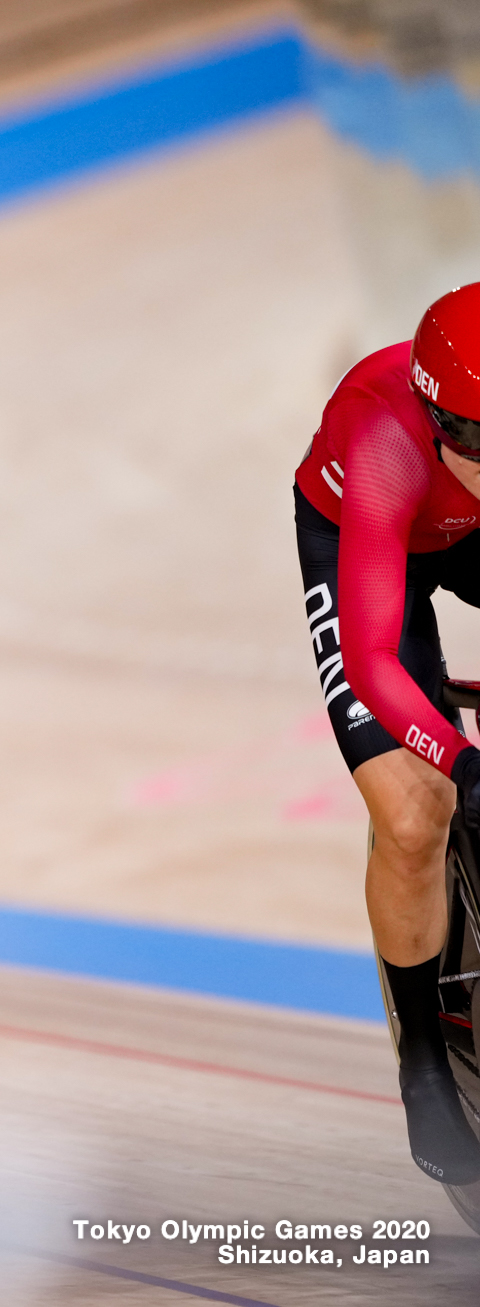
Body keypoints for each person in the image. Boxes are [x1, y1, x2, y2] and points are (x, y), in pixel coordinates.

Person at [294, 282, 480, 1186]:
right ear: (446, 425)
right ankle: (422, 1062)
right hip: (366, 540)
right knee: (415, 813)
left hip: (467, 525)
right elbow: (373, 663)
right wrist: (463, 762)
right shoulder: (386, 445)